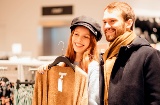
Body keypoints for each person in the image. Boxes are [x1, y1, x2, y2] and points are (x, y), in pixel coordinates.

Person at [101, 1, 160, 105]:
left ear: (129, 23)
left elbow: (156, 99)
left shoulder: (147, 55)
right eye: (105, 22)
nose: (106, 26)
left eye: (112, 21)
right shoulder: (106, 57)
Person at [38, 15, 102, 105]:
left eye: (85, 37)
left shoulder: (93, 67)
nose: (79, 40)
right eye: (76, 34)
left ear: (92, 41)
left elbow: (93, 102)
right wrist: (47, 70)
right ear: (72, 36)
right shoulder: (63, 64)